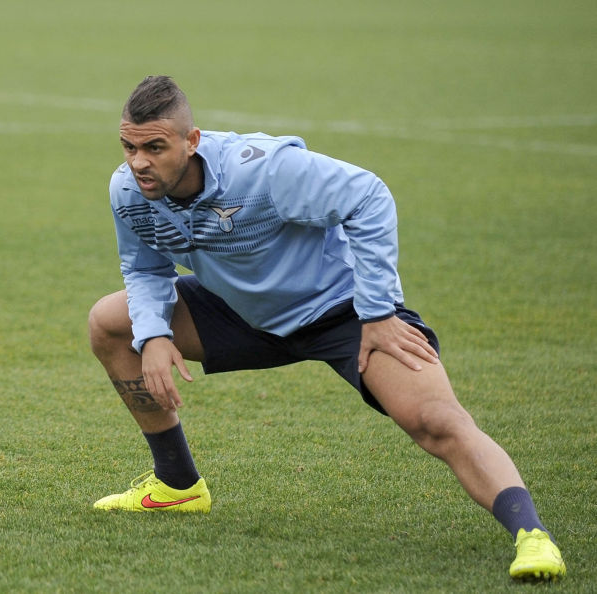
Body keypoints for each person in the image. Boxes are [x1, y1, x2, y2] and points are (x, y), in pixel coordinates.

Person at [87, 75, 566, 581]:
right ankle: (177, 486)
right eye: (129, 147)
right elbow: (144, 268)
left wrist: (378, 314)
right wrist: (153, 335)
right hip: (241, 311)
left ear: (192, 141)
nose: (138, 162)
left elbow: (369, 196)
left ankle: (532, 536)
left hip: (343, 312)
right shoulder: (128, 190)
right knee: (110, 323)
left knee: (435, 420)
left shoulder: (266, 170)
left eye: (154, 147)